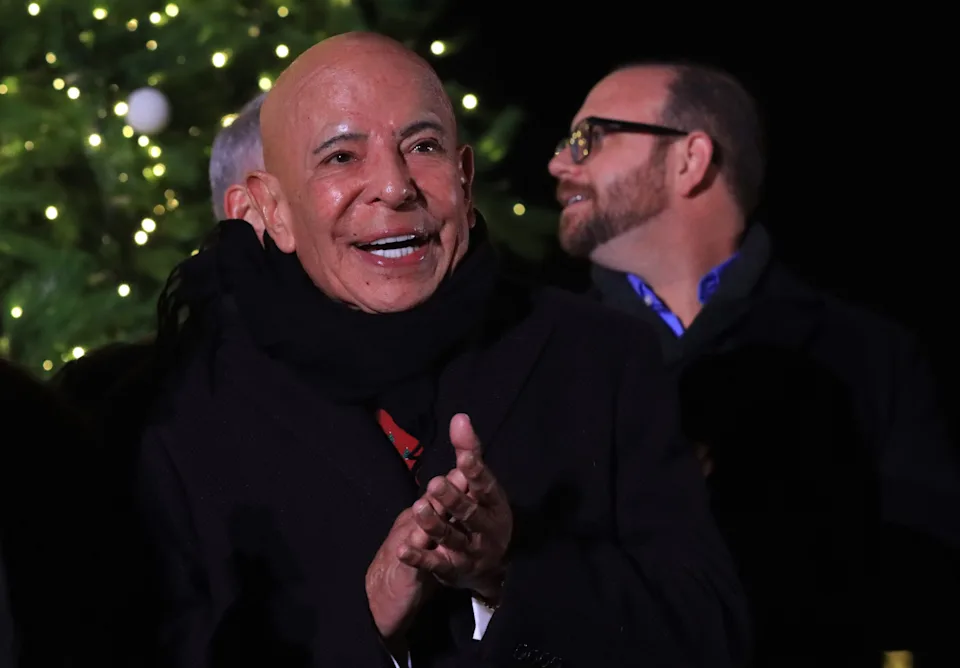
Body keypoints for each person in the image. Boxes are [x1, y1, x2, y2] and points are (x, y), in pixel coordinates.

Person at [132, 33, 749, 668]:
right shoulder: (188, 410)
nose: (395, 187)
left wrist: (506, 575)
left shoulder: (599, 357)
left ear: (465, 177)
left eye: (422, 147)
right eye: (342, 157)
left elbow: (711, 632)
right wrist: (366, 619)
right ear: (272, 211)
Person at [548, 61, 960, 665]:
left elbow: (930, 579)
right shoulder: (542, 356)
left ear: (690, 159)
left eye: (590, 137)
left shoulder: (867, 355)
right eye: (566, 141)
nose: (560, 163)